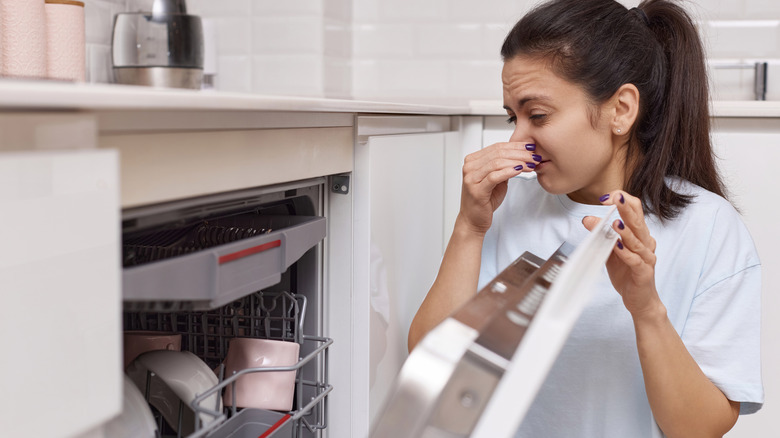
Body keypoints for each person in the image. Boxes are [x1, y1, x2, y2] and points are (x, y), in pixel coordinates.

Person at [407, 0, 764, 436]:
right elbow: (430, 377)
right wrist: (469, 228)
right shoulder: (505, 209)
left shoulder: (710, 230)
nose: (518, 139)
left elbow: (700, 428)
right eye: (512, 117)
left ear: (621, 110)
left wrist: (646, 309)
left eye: (537, 115)